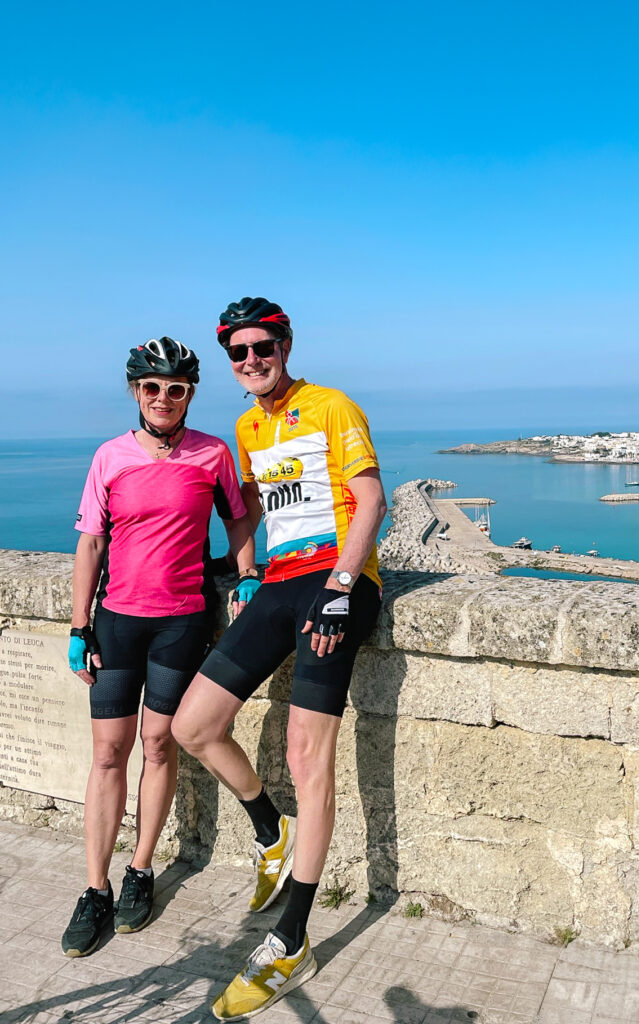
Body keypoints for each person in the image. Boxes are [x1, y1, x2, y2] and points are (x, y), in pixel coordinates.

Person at [171, 297, 387, 1019]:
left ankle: (292, 937)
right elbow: (262, 503)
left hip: (334, 585)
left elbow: (369, 497)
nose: (251, 360)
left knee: (306, 755)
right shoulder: (247, 423)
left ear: (286, 345)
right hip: (279, 581)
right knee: (192, 726)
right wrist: (241, 571)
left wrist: (341, 588)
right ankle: (272, 829)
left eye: (263, 347)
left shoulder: (332, 405)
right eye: (238, 352)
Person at [63, 337, 256, 958]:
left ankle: (140, 870)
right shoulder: (110, 457)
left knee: (157, 744)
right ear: (136, 393)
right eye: (153, 388)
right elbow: (91, 544)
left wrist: (248, 574)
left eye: (176, 389)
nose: (164, 398)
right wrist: (77, 625)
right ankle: (95, 888)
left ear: (189, 395)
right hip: (117, 621)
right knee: (109, 751)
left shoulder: (212, 453)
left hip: (183, 621)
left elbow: (238, 516)